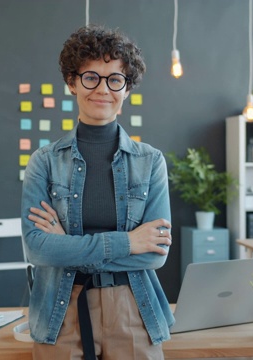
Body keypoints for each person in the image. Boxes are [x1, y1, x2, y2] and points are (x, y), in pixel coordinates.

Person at [21, 24, 173, 359]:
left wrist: (68, 245)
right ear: (72, 83)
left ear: (126, 88)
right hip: (61, 309)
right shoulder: (44, 162)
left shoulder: (150, 162)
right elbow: (38, 249)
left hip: (133, 307)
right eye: (91, 77)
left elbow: (155, 254)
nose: (102, 89)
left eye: (114, 79)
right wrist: (128, 242)